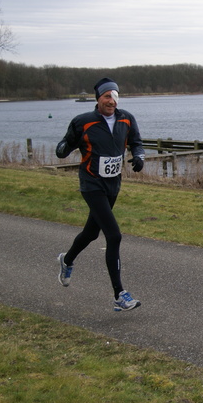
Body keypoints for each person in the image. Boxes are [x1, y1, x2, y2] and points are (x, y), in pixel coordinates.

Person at [55, 77, 145, 311]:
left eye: (115, 96)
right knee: (113, 235)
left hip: (113, 185)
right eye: (107, 96)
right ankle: (119, 294)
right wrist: (64, 148)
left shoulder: (126, 118)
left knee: (91, 233)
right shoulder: (83, 121)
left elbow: (136, 142)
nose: (111, 101)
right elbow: (65, 147)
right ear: (98, 99)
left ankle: (67, 260)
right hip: (91, 183)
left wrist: (139, 157)